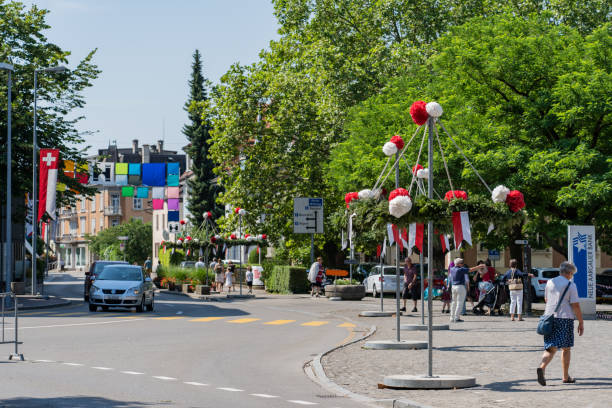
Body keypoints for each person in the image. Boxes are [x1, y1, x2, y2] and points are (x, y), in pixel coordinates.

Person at [537, 261, 584, 386]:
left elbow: (546, 299)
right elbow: (576, 306)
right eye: (572, 274)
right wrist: (581, 322)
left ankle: (542, 367)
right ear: (569, 273)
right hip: (565, 319)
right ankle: (565, 376)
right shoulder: (570, 285)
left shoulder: (550, 282)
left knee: (550, 347)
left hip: (549, 318)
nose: (571, 276)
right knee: (566, 348)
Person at [449, 258, 483, 322]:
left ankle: (451, 317)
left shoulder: (452, 269)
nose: (463, 264)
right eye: (462, 263)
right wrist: (478, 267)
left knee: (453, 302)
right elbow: (470, 270)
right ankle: (456, 317)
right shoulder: (461, 269)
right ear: (459, 264)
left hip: (453, 287)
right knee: (460, 303)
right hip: (460, 287)